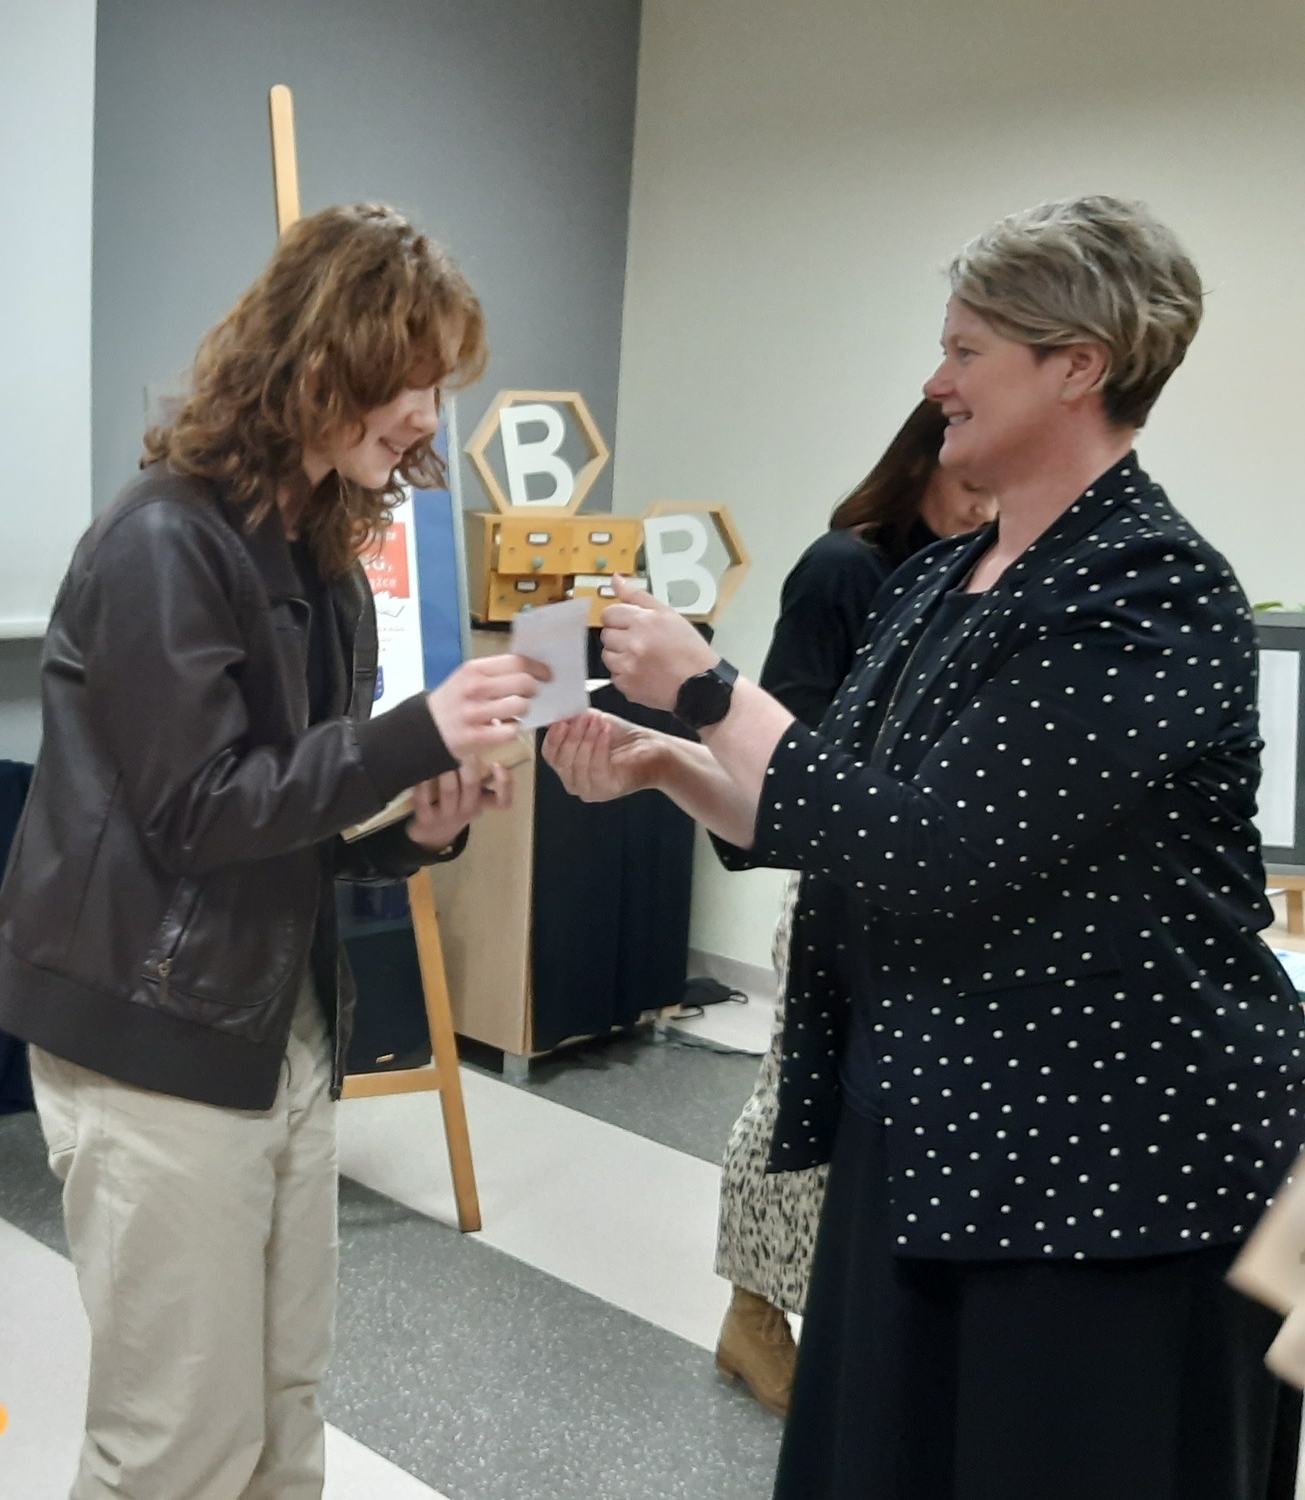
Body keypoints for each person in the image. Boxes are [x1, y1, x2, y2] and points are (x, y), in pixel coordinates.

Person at [547, 195, 1305, 1499]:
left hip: (1105, 1171)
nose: (932, 382)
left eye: (966, 350)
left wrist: (710, 693)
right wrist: (669, 763)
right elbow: (838, 809)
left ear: (1077, 367)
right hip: (929, 1125)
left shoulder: (1152, 593)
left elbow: (942, 848)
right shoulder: (931, 583)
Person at [0, 203, 545, 1500]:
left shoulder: (319, 556)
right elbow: (199, 812)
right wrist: (410, 737)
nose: (427, 416)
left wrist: (414, 830)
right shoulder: (162, 542)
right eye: (410, 380)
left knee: (284, 1413)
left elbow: (294, 821)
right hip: (153, 1035)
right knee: (178, 1442)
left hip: (273, 1025)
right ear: (321, 361)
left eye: (438, 384)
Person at [715, 399, 995, 1414]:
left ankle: (850, 1315)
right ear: (921, 463)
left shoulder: (981, 578)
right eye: (969, 487)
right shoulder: (846, 568)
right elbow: (780, 733)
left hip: (927, 891)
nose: (982, 511)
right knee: (794, 1098)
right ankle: (752, 1311)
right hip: (843, 882)